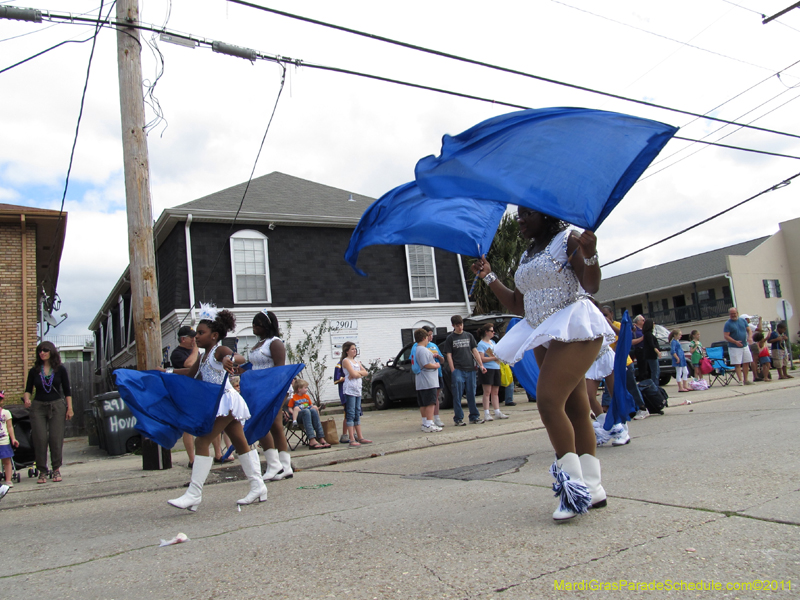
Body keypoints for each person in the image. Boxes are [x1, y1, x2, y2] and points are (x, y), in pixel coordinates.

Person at [472, 208, 615, 521]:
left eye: (526, 215)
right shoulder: (527, 254)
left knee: (548, 402)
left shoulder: (569, 240)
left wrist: (590, 255)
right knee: (576, 409)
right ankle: (593, 487)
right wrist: (490, 276)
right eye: (519, 215)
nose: (520, 220)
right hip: (542, 330)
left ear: (546, 214)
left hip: (575, 328)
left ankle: (573, 489)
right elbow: (518, 304)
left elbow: (591, 287)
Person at [167, 305, 267, 511]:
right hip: (220, 403)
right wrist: (165, 372)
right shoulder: (203, 357)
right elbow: (188, 373)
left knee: (202, 441)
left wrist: (228, 359)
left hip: (227, 401)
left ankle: (194, 494)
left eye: (201, 333)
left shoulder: (218, 350)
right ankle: (258, 486)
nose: (196, 337)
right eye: (196, 334)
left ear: (214, 335)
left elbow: (236, 357)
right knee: (240, 441)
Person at [245, 310, 294, 480]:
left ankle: (279, 465)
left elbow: (279, 369)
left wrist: (273, 390)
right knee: (269, 425)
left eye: (257, 324)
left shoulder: (275, 343)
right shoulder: (258, 344)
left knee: (268, 424)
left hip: (274, 388)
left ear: (266, 326)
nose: (254, 327)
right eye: (253, 323)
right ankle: (280, 465)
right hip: (258, 389)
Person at [23, 341, 73, 484]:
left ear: (51, 352)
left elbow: (67, 391)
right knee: (40, 439)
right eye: (40, 351)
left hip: (57, 405)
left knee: (55, 438)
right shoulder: (34, 371)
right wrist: (27, 399)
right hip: (38, 406)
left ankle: (56, 468)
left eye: (45, 350)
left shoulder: (60, 370)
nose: (42, 353)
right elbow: (28, 390)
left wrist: (70, 408)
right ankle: (42, 471)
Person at [442, 315, 487, 426]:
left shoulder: (469, 336)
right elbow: (449, 355)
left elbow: (474, 351)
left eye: (461, 325)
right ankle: (458, 418)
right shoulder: (450, 338)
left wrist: (481, 365)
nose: (460, 327)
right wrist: (453, 369)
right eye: (457, 326)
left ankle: (474, 416)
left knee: (471, 393)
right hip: (458, 369)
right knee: (457, 394)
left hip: (470, 368)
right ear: (453, 326)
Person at [171, 326, 200, 469]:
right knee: (188, 426)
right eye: (192, 337)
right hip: (185, 392)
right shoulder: (177, 354)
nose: (195, 340)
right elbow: (189, 365)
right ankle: (192, 459)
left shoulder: (196, 353)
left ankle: (217, 453)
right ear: (183, 339)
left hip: (197, 390)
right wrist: (196, 349)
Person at [341, 341, 372, 448]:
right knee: (350, 412)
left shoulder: (356, 362)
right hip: (350, 389)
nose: (355, 350)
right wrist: (357, 374)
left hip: (357, 389)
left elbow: (366, 372)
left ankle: (360, 436)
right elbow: (353, 373)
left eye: (355, 349)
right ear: (347, 351)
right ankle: (351, 438)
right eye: (352, 349)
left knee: (357, 412)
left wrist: (357, 374)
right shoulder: (346, 361)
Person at [476, 323, 508, 422]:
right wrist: (494, 358)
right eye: (491, 331)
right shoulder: (481, 344)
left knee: (495, 392)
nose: (493, 332)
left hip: (496, 367)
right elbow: (481, 358)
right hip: (487, 368)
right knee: (487, 392)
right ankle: (486, 412)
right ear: (486, 332)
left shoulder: (493, 342)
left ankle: (497, 411)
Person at [414, 328, 443, 433]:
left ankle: (425, 422)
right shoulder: (423, 350)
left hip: (422, 382)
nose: (428, 340)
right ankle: (429, 423)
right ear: (423, 338)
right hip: (428, 381)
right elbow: (426, 364)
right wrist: (436, 365)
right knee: (430, 403)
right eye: (427, 337)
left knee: (423, 403)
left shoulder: (417, 349)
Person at [289, 378, 330, 449]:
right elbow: (290, 408)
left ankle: (320, 437)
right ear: (299, 389)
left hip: (307, 415)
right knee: (306, 411)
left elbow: (310, 405)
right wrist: (293, 414)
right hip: (299, 416)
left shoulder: (306, 397)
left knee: (313, 410)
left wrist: (316, 408)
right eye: (305, 388)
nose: (307, 389)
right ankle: (311, 439)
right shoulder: (293, 398)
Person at [723, 307, 752, 385]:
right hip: (734, 346)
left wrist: (749, 337)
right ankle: (740, 380)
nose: (733, 315)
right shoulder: (728, 324)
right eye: (731, 314)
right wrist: (735, 342)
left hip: (744, 345)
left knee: (746, 362)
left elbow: (749, 330)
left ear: (737, 313)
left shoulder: (743, 321)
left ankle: (746, 379)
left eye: (734, 313)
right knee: (737, 363)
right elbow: (726, 336)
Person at [0, 391, 20, 487]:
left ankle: (8, 480)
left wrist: (13, 439)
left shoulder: (6, 413)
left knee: (6, 461)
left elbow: (10, 427)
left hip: (4, 441)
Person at [333, 359, 349, 443]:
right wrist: (348, 377)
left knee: (355, 414)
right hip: (345, 391)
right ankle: (344, 434)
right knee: (347, 413)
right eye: (352, 349)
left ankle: (354, 433)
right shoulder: (340, 365)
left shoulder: (355, 363)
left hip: (354, 391)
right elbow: (336, 379)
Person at [642, 319, 660, 389]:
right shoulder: (648, 334)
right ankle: (655, 386)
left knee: (656, 371)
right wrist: (657, 352)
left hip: (653, 355)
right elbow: (651, 345)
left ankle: (656, 385)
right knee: (655, 371)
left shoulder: (649, 334)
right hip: (651, 355)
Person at [631, 314, 646, 380]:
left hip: (646, 350)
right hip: (639, 350)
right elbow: (631, 341)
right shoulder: (634, 330)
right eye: (643, 320)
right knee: (642, 368)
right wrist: (642, 338)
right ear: (638, 321)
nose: (644, 321)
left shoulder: (644, 329)